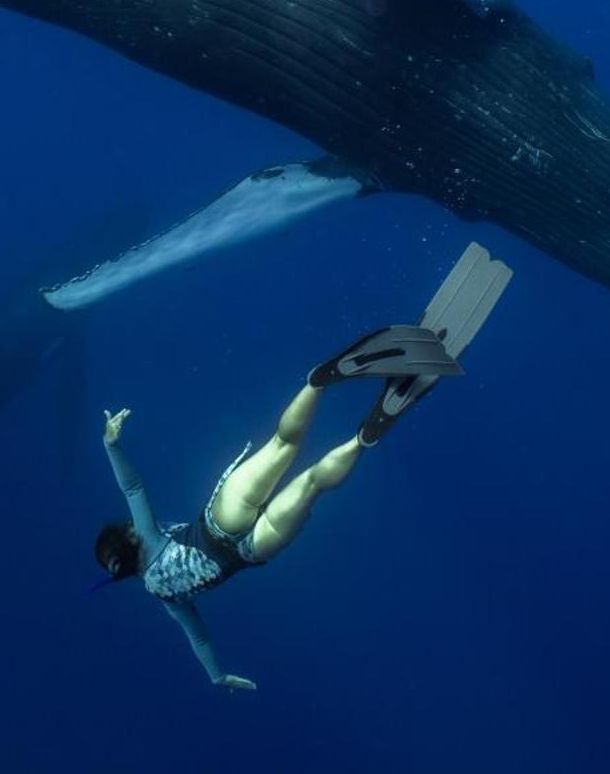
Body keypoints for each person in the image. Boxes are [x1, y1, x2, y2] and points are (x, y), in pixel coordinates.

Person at [93, 243, 512, 689]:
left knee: (313, 483)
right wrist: (111, 446)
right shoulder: (150, 537)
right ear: (130, 538)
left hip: (252, 550)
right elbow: (134, 489)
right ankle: (322, 379)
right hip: (219, 519)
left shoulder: (165, 596)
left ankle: (365, 436)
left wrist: (217, 676)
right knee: (284, 443)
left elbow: (198, 637)